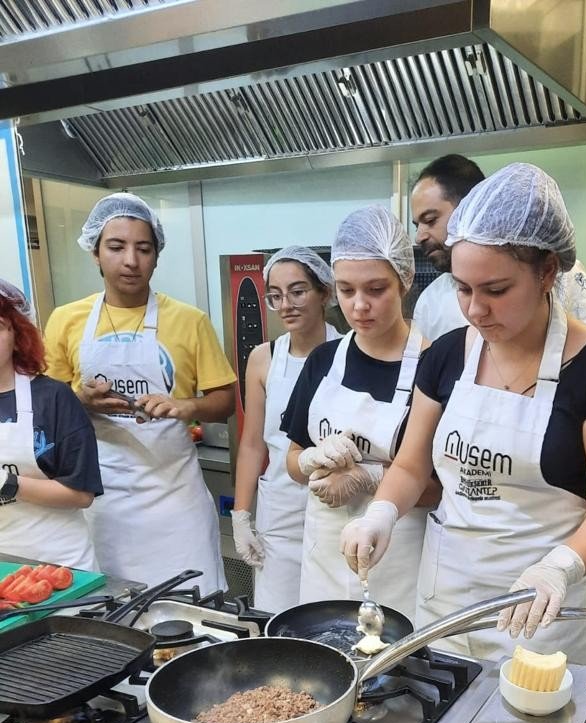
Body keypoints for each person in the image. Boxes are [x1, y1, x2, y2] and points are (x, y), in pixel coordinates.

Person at [341, 164, 586, 667]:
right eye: (463, 289)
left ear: (547, 271)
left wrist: (559, 568)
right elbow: (412, 465)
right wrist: (382, 513)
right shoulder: (447, 356)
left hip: (541, 616)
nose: (475, 309)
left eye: (496, 290)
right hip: (447, 606)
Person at [44, 193, 236, 591]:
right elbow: (49, 406)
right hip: (104, 500)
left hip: (175, 499)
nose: (131, 260)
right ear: (95, 253)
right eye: (116, 247)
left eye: (143, 248)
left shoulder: (189, 320)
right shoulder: (66, 319)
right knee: (115, 615)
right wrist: (81, 401)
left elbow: (226, 402)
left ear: (156, 255)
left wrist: (185, 406)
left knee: (194, 610)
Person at [283, 206, 437, 621]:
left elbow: (445, 488)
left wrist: (371, 478)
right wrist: (312, 459)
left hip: (399, 556)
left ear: (405, 281)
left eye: (375, 289)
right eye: (347, 291)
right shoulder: (323, 361)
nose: (359, 306)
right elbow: (292, 461)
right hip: (324, 554)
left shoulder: (434, 366)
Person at [231, 247, 341, 614]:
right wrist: (242, 515)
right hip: (279, 515)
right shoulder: (265, 358)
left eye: (298, 291)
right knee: (277, 621)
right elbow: (252, 445)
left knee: (329, 620)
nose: (286, 305)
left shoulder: (350, 351)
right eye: (275, 296)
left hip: (336, 509)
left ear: (324, 292)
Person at [411, 153, 586, 341]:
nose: (419, 236)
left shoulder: (563, 277)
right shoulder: (430, 302)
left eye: (430, 219)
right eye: (464, 289)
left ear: (472, 207)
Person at [0, 279, 101, 570]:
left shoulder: (53, 397)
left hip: (59, 568)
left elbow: (81, 494)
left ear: (17, 334)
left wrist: (8, 483)